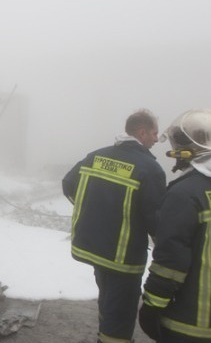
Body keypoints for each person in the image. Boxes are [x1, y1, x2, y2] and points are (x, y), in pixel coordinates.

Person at [62, 109, 167, 343]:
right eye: (154, 133)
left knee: (108, 299)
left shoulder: (96, 156)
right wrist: (168, 250)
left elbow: (68, 183)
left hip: (95, 249)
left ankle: (104, 334)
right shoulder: (149, 169)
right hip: (123, 258)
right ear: (142, 133)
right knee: (120, 313)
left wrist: (93, 210)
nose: (156, 139)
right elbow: (156, 220)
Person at [140, 108, 211, 343]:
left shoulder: (183, 195)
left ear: (186, 149)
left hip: (188, 325)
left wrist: (152, 305)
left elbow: (170, 261)